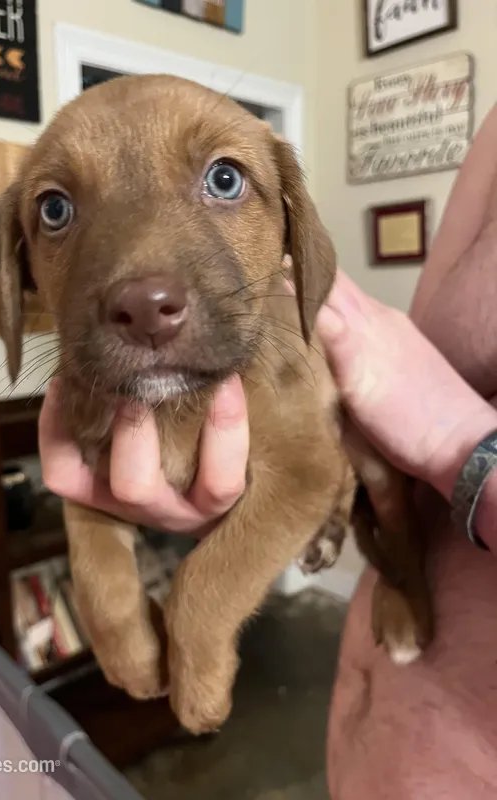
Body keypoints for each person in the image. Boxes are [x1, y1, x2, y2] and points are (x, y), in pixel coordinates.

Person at [38, 106, 497, 799]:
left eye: (224, 180)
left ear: (293, 236)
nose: (142, 287)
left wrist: (458, 445)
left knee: (376, 477)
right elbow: (431, 343)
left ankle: (399, 571)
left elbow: (326, 461)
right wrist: (106, 586)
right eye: (55, 209)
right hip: (375, 732)